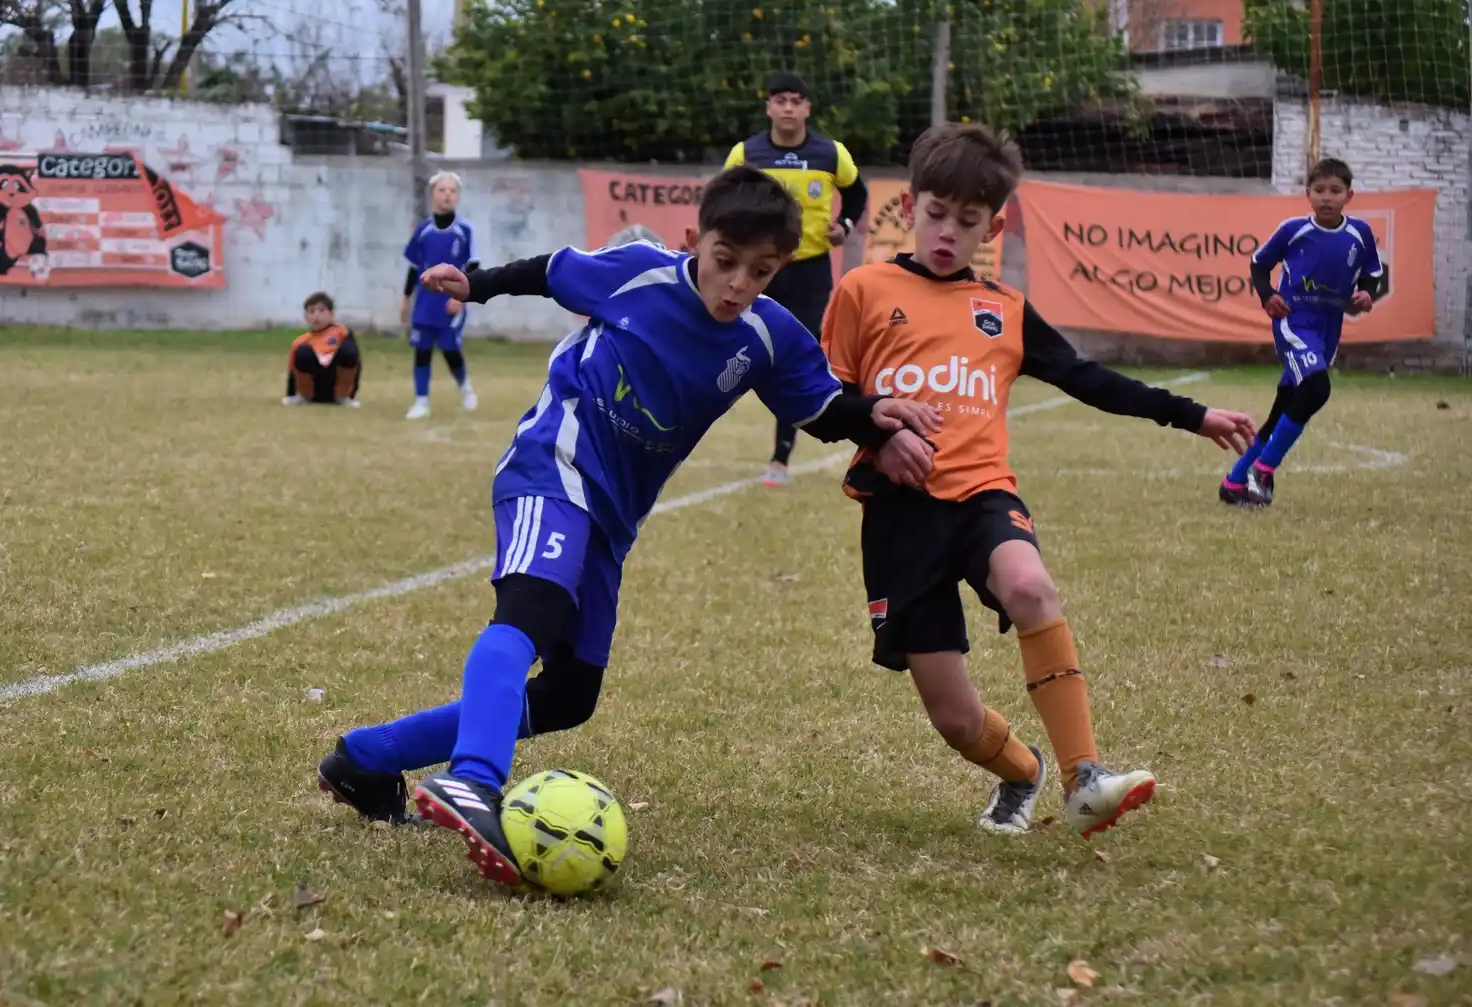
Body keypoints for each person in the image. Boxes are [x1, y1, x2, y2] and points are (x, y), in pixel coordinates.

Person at [315, 166, 941, 884]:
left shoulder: (769, 336)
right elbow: (552, 270)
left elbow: (822, 408)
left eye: (761, 271)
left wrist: (876, 416)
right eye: (725, 262)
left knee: (570, 692)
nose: (738, 284)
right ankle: (475, 779)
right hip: (553, 462)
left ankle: (365, 757)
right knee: (529, 605)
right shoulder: (641, 274)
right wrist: (477, 284)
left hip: (614, 514)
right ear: (692, 241)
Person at [819, 123, 1258, 838]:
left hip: (984, 496)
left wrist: (1192, 414)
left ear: (992, 226)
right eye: (934, 214)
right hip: (900, 516)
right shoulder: (864, 290)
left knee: (1029, 585)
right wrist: (877, 433)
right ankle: (1023, 772)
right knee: (955, 718)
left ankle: (1086, 776)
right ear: (910, 207)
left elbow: (1088, 379)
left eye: (966, 222)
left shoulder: (1005, 310)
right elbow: (818, 400)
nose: (946, 233)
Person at [723, 72, 869, 487]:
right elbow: (723, 197)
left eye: (796, 100)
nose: (788, 107)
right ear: (769, 107)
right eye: (780, 100)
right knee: (730, 344)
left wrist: (845, 224)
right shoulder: (746, 153)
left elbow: (857, 194)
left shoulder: (831, 153)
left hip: (810, 270)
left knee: (799, 356)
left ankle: (780, 458)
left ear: (807, 108)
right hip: (759, 269)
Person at [1220, 157, 1385, 508]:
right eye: (1319, 190)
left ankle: (1234, 482)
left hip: (1328, 327)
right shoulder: (1293, 229)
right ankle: (1263, 472)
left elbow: (1372, 271)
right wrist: (1267, 295)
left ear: (1349, 195)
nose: (1327, 197)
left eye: (1335, 190)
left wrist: (1367, 292)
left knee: (1286, 407)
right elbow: (1259, 263)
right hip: (1294, 321)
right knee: (1316, 387)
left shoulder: (1360, 234)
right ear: (1308, 193)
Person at [402, 171, 479, 420]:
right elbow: (414, 267)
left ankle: (465, 387)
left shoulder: (465, 230)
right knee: (422, 349)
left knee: (449, 346)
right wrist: (405, 298)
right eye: (442, 190)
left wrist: (461, 297)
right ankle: (421, 401)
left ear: (458, 196)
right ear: (432, 195)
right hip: (425, 300)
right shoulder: (423, 229)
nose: (447, 195)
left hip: (451, 299)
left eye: (452, 191)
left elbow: (473, 267)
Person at [282, 291, 361, 407]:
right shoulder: (301, 341)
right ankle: (304, 397)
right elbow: (292, 371)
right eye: (311, 311)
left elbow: (355, 362)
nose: (316, 315)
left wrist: (352, 393)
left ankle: (343, 397)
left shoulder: (342, 333)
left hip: (336, 385)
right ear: (306, 317)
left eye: (321, 310)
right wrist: (290, 394)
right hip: (314, 388)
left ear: (331, 314)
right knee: (303, 352)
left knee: (349, 350)